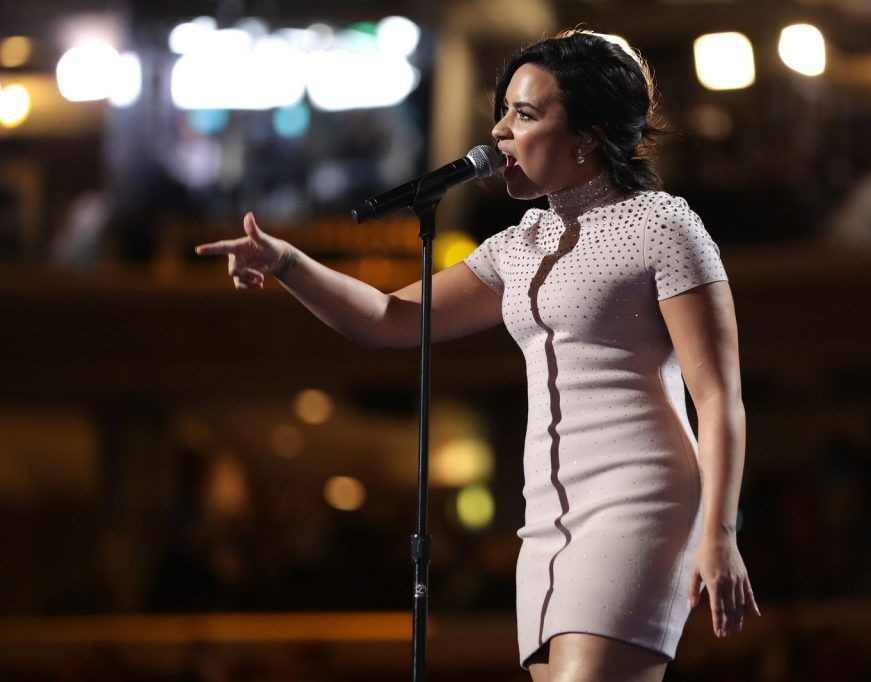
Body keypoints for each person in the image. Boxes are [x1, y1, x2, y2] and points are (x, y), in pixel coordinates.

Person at [196, 28, 758, 682]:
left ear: (588, 135)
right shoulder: (517, 245)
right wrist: (288, 262)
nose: (499, 133)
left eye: (525, 114)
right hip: (547, 515)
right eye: (503, 112)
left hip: (640, 499)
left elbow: (717, 395)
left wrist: (719, 533)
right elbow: (386, 319)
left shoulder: (660, 225)